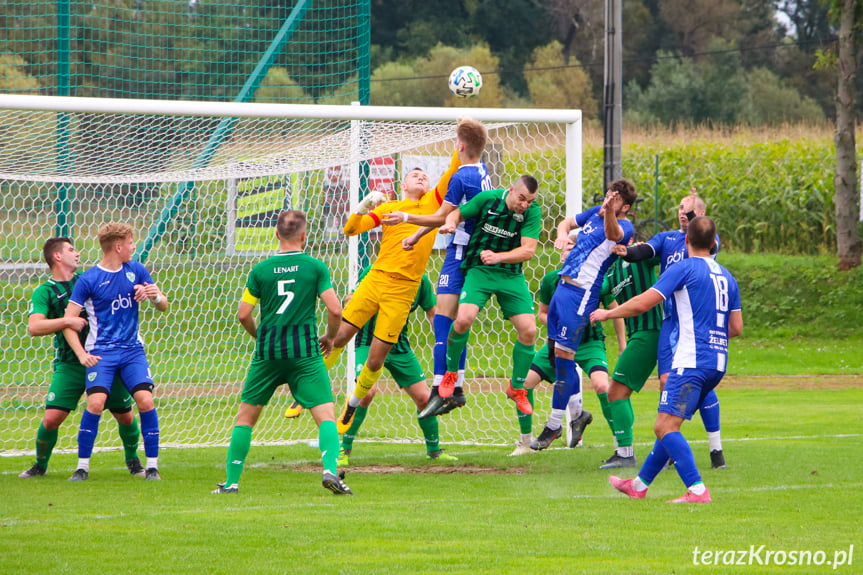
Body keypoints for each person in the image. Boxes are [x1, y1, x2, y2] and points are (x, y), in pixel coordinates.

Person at [591, 216, 741, 503]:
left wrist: (609, 313)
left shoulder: (683, 268)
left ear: (686, 241)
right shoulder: (727, 276)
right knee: (669, 424)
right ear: (714, 244)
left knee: (663, 427)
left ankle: (697, 489)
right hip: (717, 363)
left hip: (690, 361)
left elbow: (645, 302)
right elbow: (736, 328)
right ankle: (639, 484)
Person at [322, 140, 460, 435]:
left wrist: (460, 141)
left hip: (403, 290)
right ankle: (309, 389)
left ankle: (352, 404)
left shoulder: (433, 204)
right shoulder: (389, 208)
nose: (421, 177)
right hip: (377, 279)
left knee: (375, 358)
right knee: (340, 336)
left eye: (425, 176)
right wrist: (363, 205)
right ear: (402, 184)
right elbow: (350, 230)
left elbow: (453, 169)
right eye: (415, 174)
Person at [213, 210, 351, 495]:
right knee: (325, 415)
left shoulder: (260, 270)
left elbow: (243, 315)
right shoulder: (315, 267)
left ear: (276, 235)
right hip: (305, 352)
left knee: (245, 418)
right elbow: (336, 309)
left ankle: (231, 483)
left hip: (268, 352)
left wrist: (260, 334)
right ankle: (328, 469)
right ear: (304, 236)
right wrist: (331, 337)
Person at [406, 175, 543, 419]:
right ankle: (450, 374)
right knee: (463, 319)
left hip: (510, 275)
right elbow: (457, 213)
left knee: (529, 331)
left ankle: (517, 388)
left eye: (529, 201)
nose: (524, 205)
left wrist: (499, 257)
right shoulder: (488, 199)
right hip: (479, 270)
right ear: (511, 190)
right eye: (522, 198)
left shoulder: (532, 213)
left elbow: (528, 250)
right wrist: (450, 222)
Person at [383, 117, 491, 415]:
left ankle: (441, 389)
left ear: (460, 146)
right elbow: (452, 214)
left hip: (460, 252)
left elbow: (442, 217)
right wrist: (418, 236)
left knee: (443, 321)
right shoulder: (483, 172)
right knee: (455, 321)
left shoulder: (460, 177)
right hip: (474, 250)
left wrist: (408, 221)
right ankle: (453, 387)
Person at [612, 190, 727, 469]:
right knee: (667, 382)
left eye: (686, 208)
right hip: (670, 325)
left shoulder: (706, 242)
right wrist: (627, 250)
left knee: (696, 382)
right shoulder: (667, 239)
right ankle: (667, 450)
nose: (680, 211)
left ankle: (716, 449)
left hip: (695, 324)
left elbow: (708, 242)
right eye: (678, 207)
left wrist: (695, 214)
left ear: (699, 215)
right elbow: (647, 250)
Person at [19, 238, 143, 479]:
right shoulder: (44, 292)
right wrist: (67, 320)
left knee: (125, 414)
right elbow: (34, 327)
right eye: (71, 250)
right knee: (51, 418)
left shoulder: (89, 280)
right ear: (57, 256)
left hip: (104, 358)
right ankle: (40, 465)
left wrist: (142, 289)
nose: (77, 253)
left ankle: (134, 461)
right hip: (70, 364)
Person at [63, 223, 168, 481]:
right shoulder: (89, 280)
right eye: (132, 242)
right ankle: (82, 467)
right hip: (102, 352)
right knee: (96, 403)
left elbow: (163, 305)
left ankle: (152, 467)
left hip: (132, 351)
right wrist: (80, 354)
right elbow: (68, 321)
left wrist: (154, 296)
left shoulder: (137, 270)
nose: (134, 247)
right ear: (118, 246)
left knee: (145, 400)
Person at [537, 180, 636, 447]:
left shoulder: (624, 227)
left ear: (624, 207)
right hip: (562, 287)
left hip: (582, 294)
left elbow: (614, 235)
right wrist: (561, 234)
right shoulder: (595, 212)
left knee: (567, 358)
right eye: (607, 194)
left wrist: (610, 212)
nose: (606, 200)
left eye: (613, 199)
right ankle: (567, 420)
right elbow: (566, 223)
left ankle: (555, 424)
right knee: (561, 359)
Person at [511, 239, 625, 455]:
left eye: (576, 249)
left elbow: (615, 312)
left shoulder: (598, 281)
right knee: (523, 386)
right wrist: (561, 322)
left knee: (603, 386)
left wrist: (622, 344)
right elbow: (542, 314)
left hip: (589, 344)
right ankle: (525, 443)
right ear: (562, 254)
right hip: (559, 342)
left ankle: (621, 443)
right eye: (568, 249)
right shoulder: (551, 280)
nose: (571, 252)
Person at [334, 268, 457, 464]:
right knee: (366, 393)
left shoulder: (420, 280)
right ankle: (343, 449)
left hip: (398, 345)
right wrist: (350, 301)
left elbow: (433, 315)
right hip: (368, 342)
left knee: (424, 398)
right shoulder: (376, 270)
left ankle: (434, 451)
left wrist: (447, 339)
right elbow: (352, 299)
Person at [597, 252, 664, 469]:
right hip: (639, 334)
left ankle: (625, 454)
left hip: (650, 331)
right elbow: (592, 289)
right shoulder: (609, 271)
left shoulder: (639, 254)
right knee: (620, 391)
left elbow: (665, 253)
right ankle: (667, 450)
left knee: (616, 391)